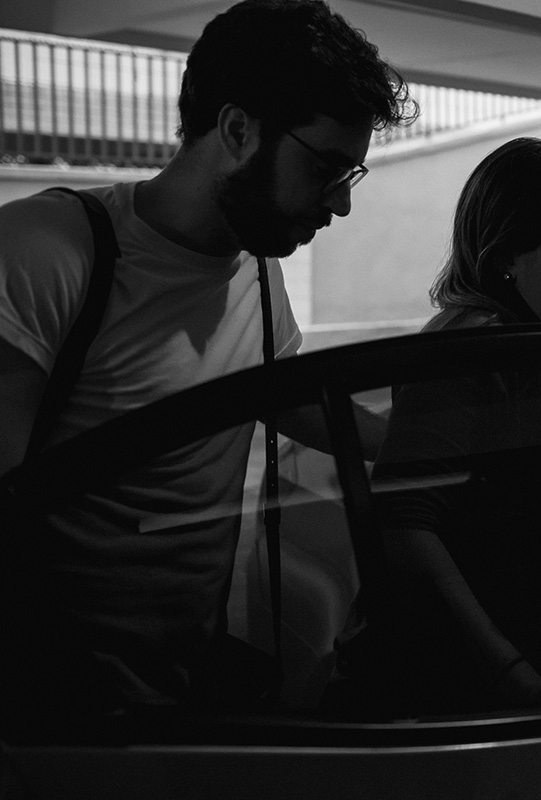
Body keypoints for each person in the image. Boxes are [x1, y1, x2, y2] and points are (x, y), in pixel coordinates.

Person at [0, 0, 415, 731]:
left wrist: (433, 443)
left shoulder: (257, 273)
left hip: (179, 696)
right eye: (326, 167)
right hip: (49, 716)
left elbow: (285, 398)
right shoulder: (48, 252)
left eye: (353, 174)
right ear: (235, 130)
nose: (342, 205)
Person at [325, 137, 541, 717]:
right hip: (444, 700)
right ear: (508, 255)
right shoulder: (473, 346)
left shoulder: (525, 342)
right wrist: (518, 680)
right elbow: (406, 526)